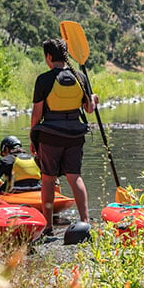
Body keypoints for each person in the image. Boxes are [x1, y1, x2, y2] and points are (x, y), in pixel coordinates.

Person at [30, 38, 97, 240]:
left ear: (49, 57)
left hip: (51, 135)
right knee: (74, 175)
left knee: (49, 178)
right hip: (76, 134)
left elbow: (36, 114)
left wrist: (33, 137)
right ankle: (85, 223)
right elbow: (89, 109)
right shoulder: (80, 77)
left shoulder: (44, 79)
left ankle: (48, 227)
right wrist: (94, 99)